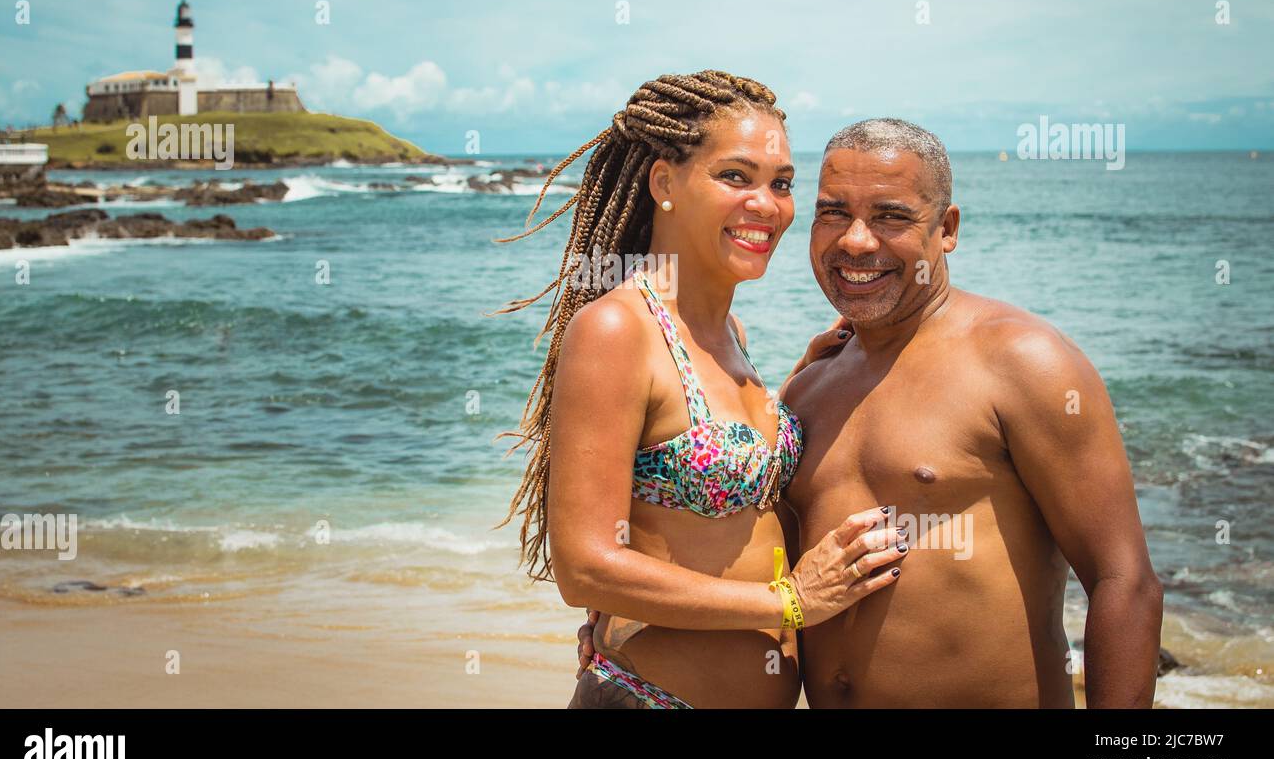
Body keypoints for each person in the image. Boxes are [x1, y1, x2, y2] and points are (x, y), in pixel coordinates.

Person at [580, 117, 1164, 708]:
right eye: (833, 212)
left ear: (947, 228)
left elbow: (1124, 583)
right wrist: (630, 607)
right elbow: (731, 522)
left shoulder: (1022, 362)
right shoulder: (809, 390)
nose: (856, 241)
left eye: (890, 215)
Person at [495, 72, 906, 708]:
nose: (767, 204)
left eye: (782, 183)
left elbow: (711, 491)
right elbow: (584, 565)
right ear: (665, 184)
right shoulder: (618, 329)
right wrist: (793, 601)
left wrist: (804, 383)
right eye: (735, 176)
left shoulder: (729, 333)